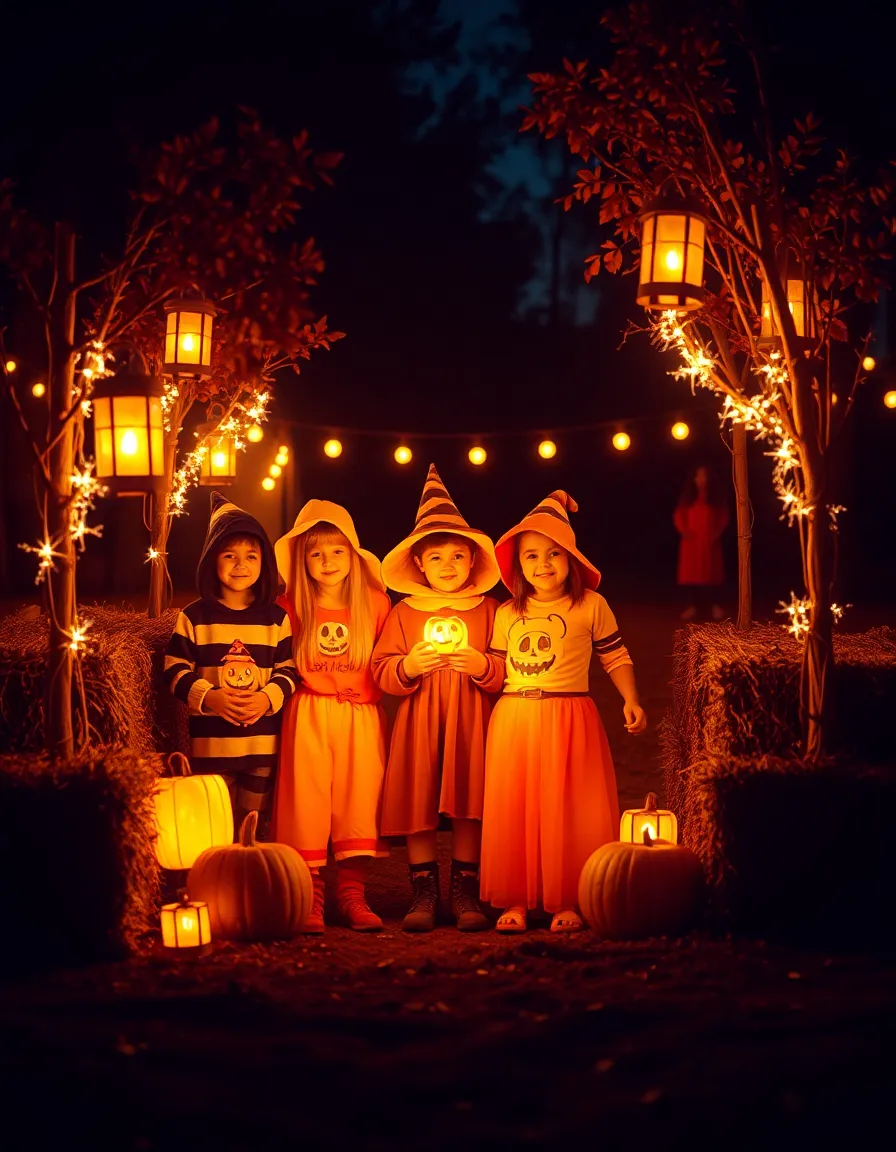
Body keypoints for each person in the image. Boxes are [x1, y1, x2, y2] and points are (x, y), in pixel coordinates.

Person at [479, 490, 647, 934]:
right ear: (518, 565)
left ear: (572, 558)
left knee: (570, 807)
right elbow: (495, 668)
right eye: (531, 555)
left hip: (571, 716)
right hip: (514, 719)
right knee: (515, 807)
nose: (543, 564)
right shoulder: (507, 612)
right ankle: (515, 898)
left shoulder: (591, 605)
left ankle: (567, 899)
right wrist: (470, 665)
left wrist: (631, 698)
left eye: (554, 553)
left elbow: (615, 655)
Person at [372, 464, 505, 932]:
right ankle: (424, 891)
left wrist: (483, 665)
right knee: (419, 802)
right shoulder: (404, 613)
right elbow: (381, 669)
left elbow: (507, 668)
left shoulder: (490, 610)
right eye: (436, 557)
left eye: (457, 556)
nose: (447, 565)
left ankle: (464, 889)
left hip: (472, 720)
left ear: (473, 562)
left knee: (469, 801)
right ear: (419, 564)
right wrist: (408, 667)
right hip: (420, 721)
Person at [273, 500, 391, 933]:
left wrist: (373, 689)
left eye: (337, 551)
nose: (327, 561)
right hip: (309, 712)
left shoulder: (376, 604)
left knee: (358, 801)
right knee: (306, 804)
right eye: (316, 553)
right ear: (302, 559)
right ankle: (312, 896)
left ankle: (352, 895)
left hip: (360, 715)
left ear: (353, 555)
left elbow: (389, 660)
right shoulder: (290, 605)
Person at [163, 491, 300, 837]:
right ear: (212, 560)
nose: (241, 565)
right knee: (217, 822)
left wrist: (267, 698)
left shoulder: (275, 619)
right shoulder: (194, 617)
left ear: (264, 562)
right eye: (230, 556)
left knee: (252, 825)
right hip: (213, 746)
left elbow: (288, 669)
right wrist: (209, 697)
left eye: (251, 556)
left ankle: (249, 865)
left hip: (261, 744)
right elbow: (175, 669)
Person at [674, 464, 730, 621]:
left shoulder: (715, 499)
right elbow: (678, 515)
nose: (700, 479)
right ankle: (693, 606)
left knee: (711, 573)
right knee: (692, 574)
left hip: (709, 541)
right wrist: (683, 530)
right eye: (698, 476)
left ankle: (714, 606)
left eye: (703, 476)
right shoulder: (688, 498)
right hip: (692, 541)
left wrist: (717, 533)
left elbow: (723, 517)